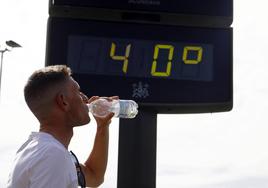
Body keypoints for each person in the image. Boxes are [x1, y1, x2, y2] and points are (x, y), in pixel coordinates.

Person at [7, 65, 117, 188]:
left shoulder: (37, 149)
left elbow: (94, 176)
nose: (85, 98)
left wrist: (102, 127)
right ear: (63, 101)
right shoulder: (53, 155)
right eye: (78, 92)